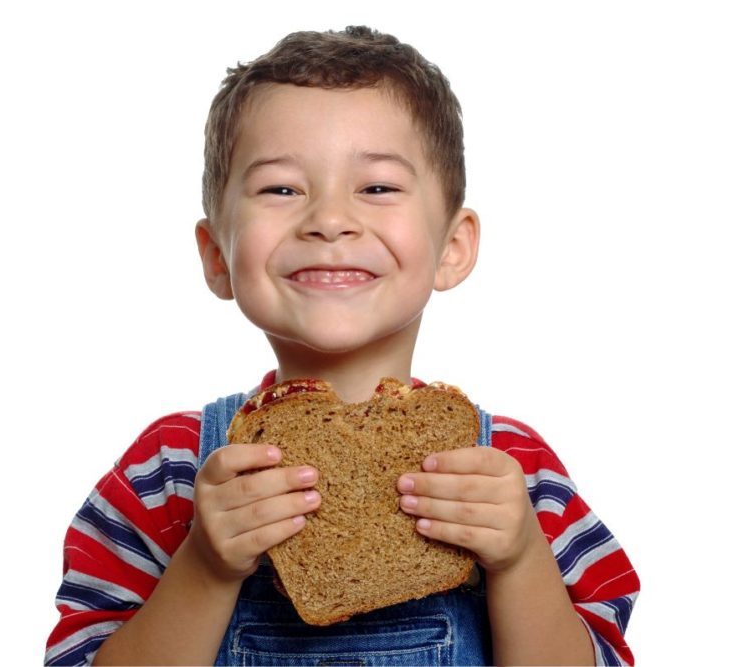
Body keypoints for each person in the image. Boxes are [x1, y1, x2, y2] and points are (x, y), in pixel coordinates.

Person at [45, 26, 639, 666]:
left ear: (454, 247)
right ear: (218, 256)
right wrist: (206, 568)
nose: (329, 219)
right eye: (281, 189)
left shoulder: (517, 472)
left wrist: (520, 558)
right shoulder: (164, 473)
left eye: (377, 187)